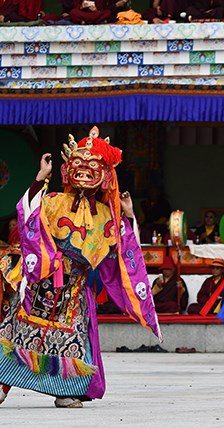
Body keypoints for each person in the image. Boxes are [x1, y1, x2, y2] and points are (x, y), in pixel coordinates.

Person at [0, 128, 160, 408]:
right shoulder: (53, 201)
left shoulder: (108, 214)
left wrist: (129, 214)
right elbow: (28, 213)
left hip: (74, 290)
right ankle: (2, 385)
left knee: (70, 339)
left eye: (93, 166)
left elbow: (123, 251)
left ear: (106, 174)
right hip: (43, 283)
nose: (84, 172)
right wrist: (40, 179)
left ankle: (64, 391)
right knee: (17, 333)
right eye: (79, 165)